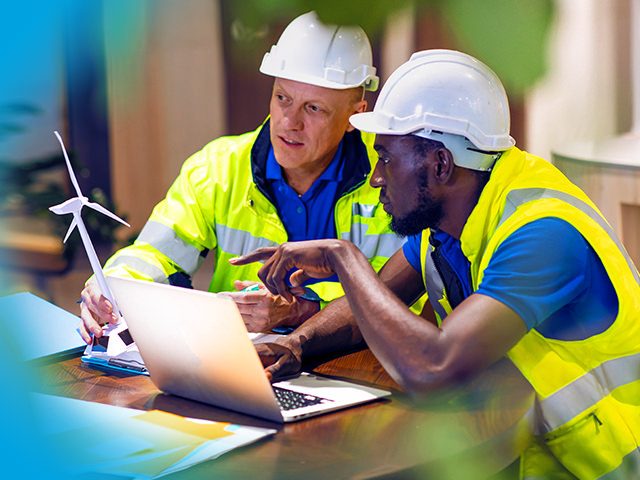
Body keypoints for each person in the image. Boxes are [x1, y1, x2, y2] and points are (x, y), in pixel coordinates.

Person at [232, 50, 640, 479]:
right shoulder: (450, 218)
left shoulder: (543, 234)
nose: (375, 177)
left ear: (440, 164)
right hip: (539, 457)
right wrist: (297, 344)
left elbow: (435, 367)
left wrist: (344, 257)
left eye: (387, 157)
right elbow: (371, 306)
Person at [77, 11, 404, 342]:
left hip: (353, 362)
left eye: (313, 108)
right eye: (283, 98)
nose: (289, 121)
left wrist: (303, 310)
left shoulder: (393, 179)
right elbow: (154, 254)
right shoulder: (218, 167)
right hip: (237, 359)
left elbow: (406, 302)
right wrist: (112, 286)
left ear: (355, 115)